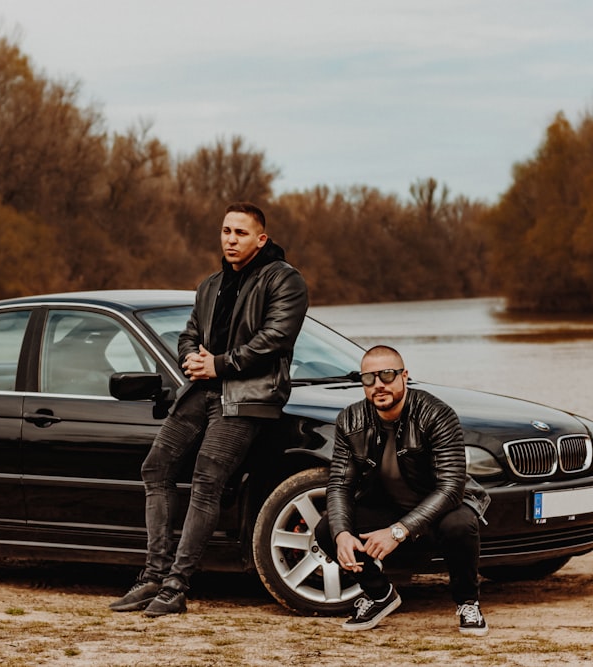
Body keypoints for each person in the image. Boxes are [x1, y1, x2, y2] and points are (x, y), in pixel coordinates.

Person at [110, 202, 308, 617]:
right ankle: (152, 578)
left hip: (248, 396)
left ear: (261, 239)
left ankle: (176, 588)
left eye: (240, 232)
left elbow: (275, 338)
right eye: (225, 231)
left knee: (206, 480)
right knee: (156, 468)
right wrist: (191, 359)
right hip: (202, 392)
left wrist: (218, 363)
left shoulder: (285, 281)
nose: (231, 239)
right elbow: (188, 334)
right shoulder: (211, 285)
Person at [315, 345, 491, 634]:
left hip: (438, 507)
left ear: (404, 376)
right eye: (369, 378)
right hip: (387, 505)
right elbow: (339, 484)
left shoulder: (436, 414)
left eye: (386, 375)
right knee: (327, 529)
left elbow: (451, 487)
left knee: (461, 524)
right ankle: (379, 594)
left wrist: (399, 531)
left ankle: (467, 602)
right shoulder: (350, 419)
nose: (378, 385)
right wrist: (342, 533)